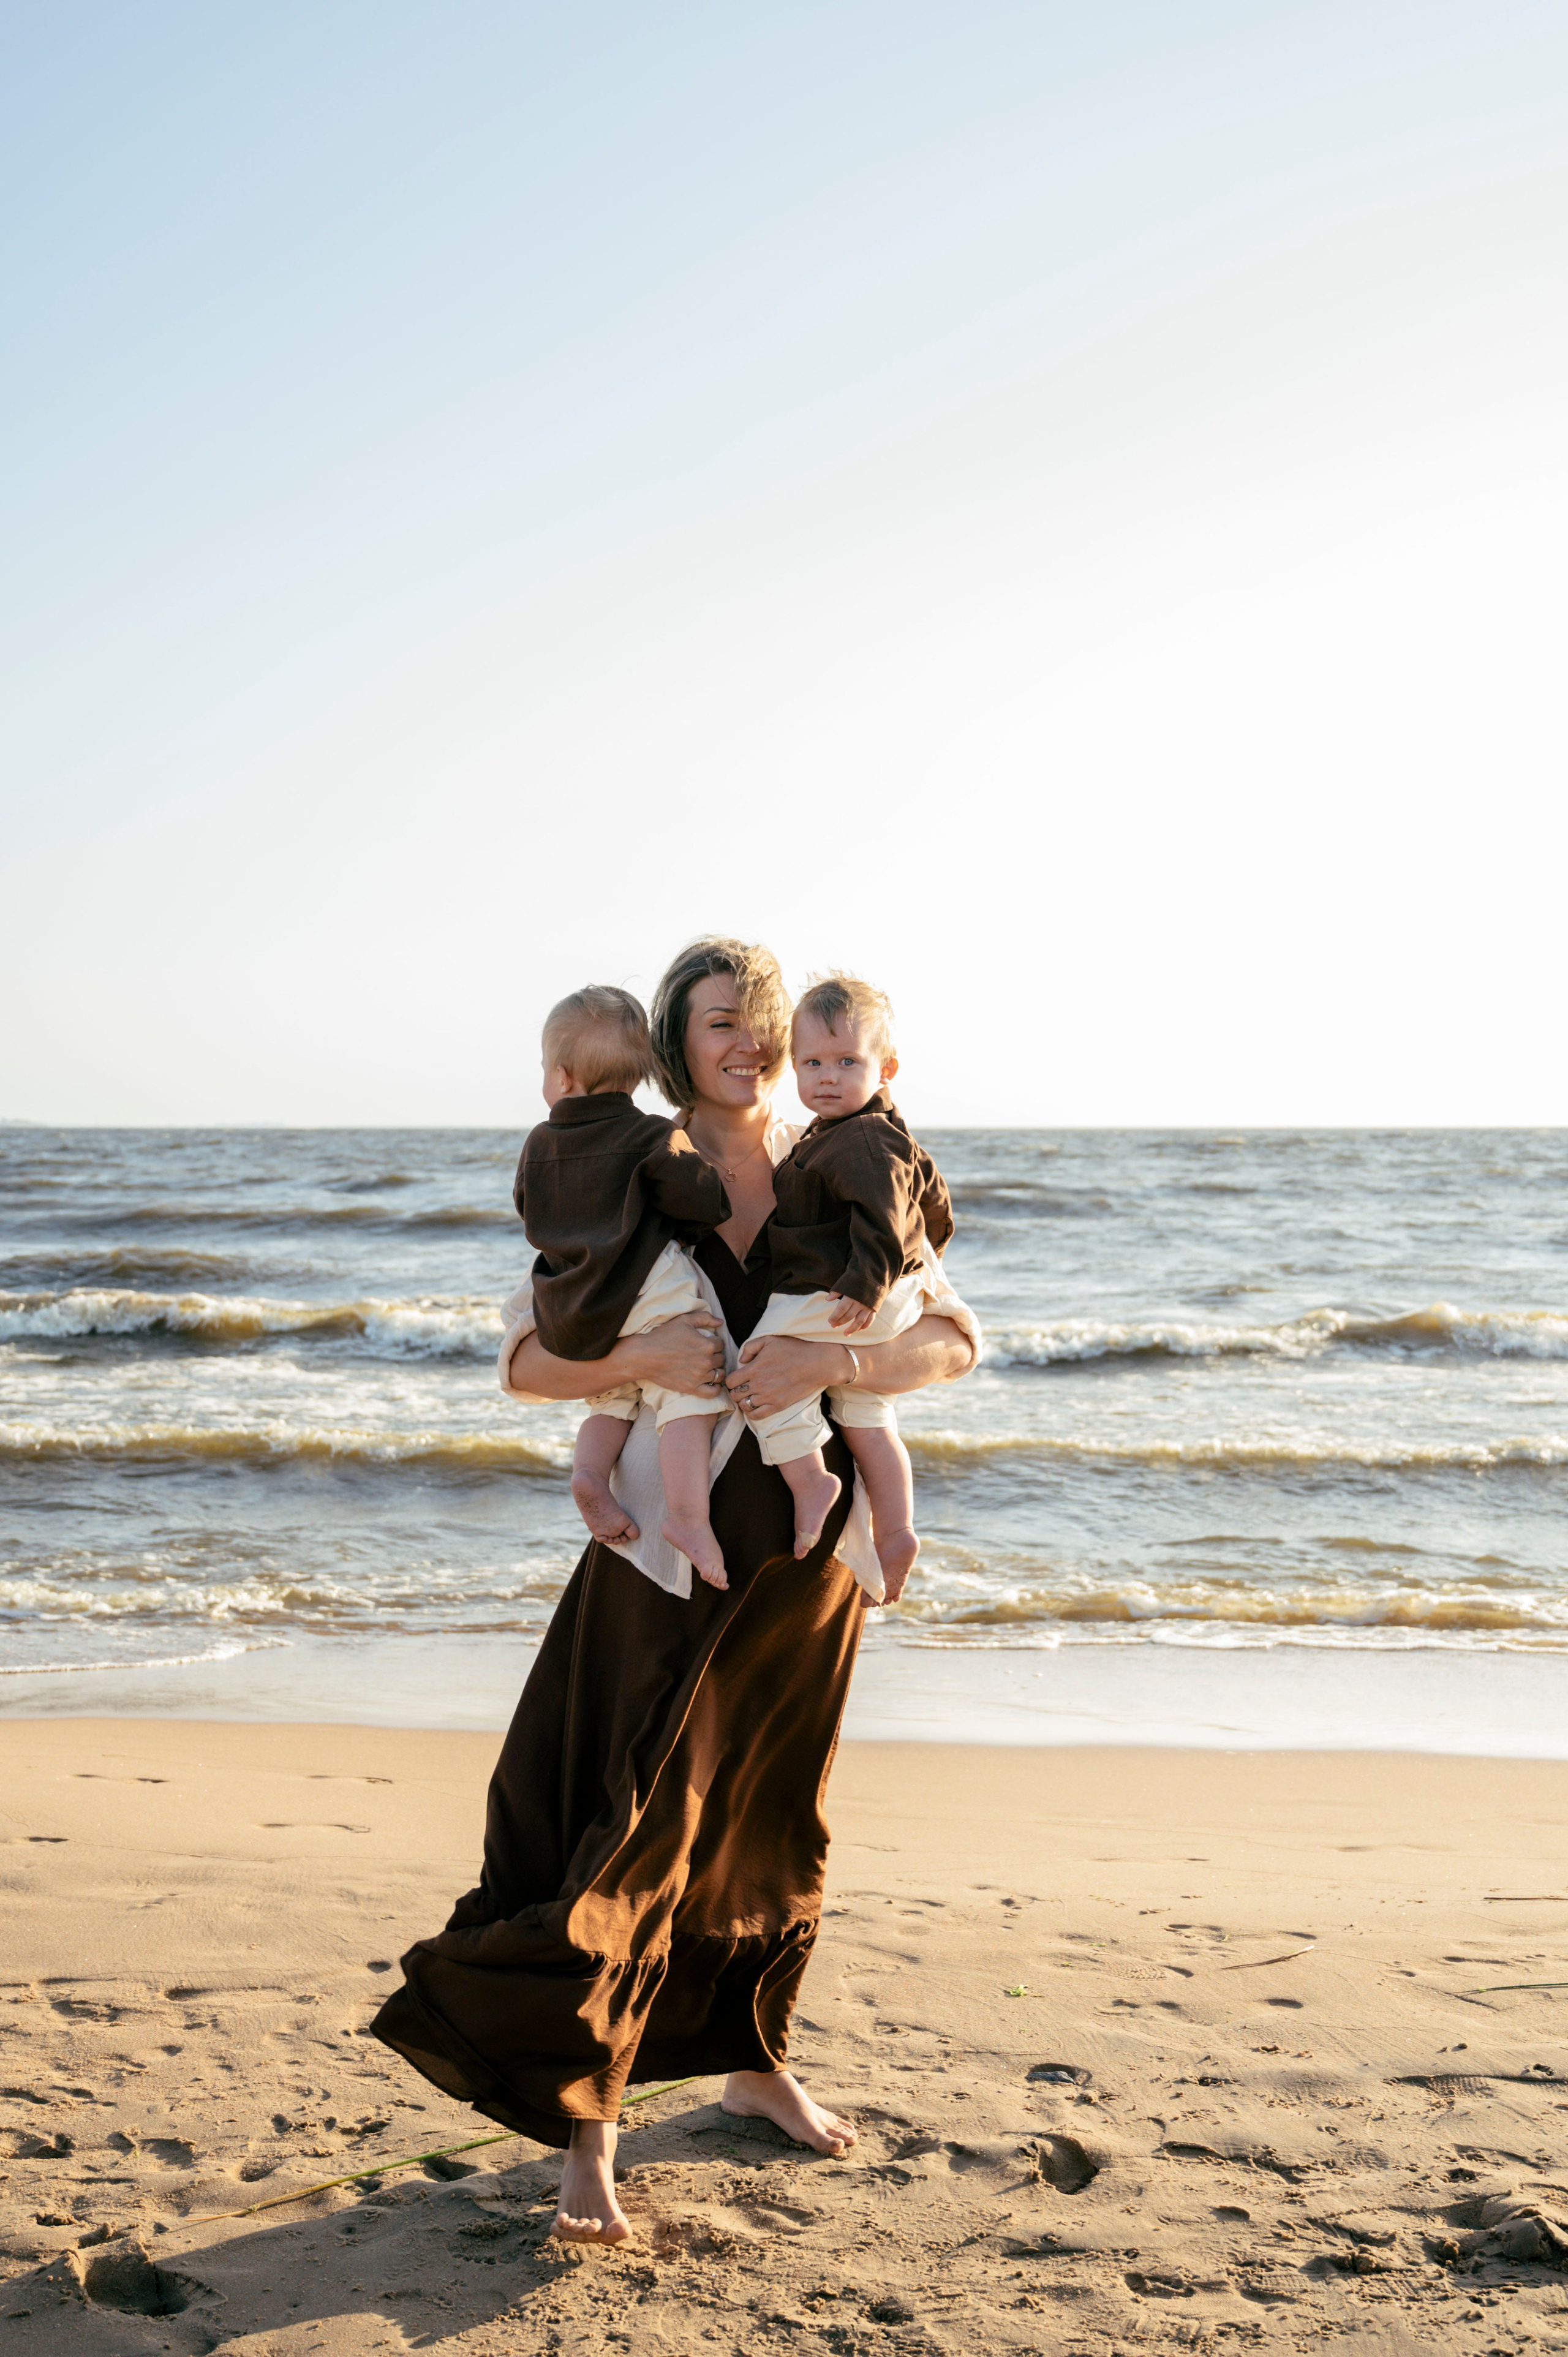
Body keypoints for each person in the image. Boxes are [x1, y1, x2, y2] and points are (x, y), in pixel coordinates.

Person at [369, 937, 979, 2244]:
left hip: (807, 1559)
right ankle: (589, 2126)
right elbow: (529, 1361)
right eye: (720, 1021)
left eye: (761, 1019)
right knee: (632, 1822)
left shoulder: (844, 1154)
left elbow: (948, 1338)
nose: (749, 1041)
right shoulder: (631, 1161)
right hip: (668, 1550)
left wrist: (830, 1361)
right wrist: (640, 1352)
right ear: (671, 1038)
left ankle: (752, 2058)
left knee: (766, 1822)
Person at [736, 971, 953, 1588]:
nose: (826, 1076)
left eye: (845, 1061)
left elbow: (885, 1216)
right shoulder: (879, 1132)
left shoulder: (859, 1139)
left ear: (885, 1068)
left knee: (761, 1366)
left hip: (847, 1295)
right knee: (867, 1411)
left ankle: (810, 1481)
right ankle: (896, 1528)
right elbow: (936, 1207)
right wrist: (922, 1262)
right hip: (887, 1290)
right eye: (811, 1062)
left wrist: (868, 1282)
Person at [516, 984, 733, 1589]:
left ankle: (590, 1472)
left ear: (560, 1075)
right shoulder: (651, 1136)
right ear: (637, 1075)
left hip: (572, 1307)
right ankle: (688, 1518)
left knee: (613, 1396)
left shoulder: (538, 1142)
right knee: (688, 1389)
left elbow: (527, 1208)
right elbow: (704, 1204)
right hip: (645, 1287)